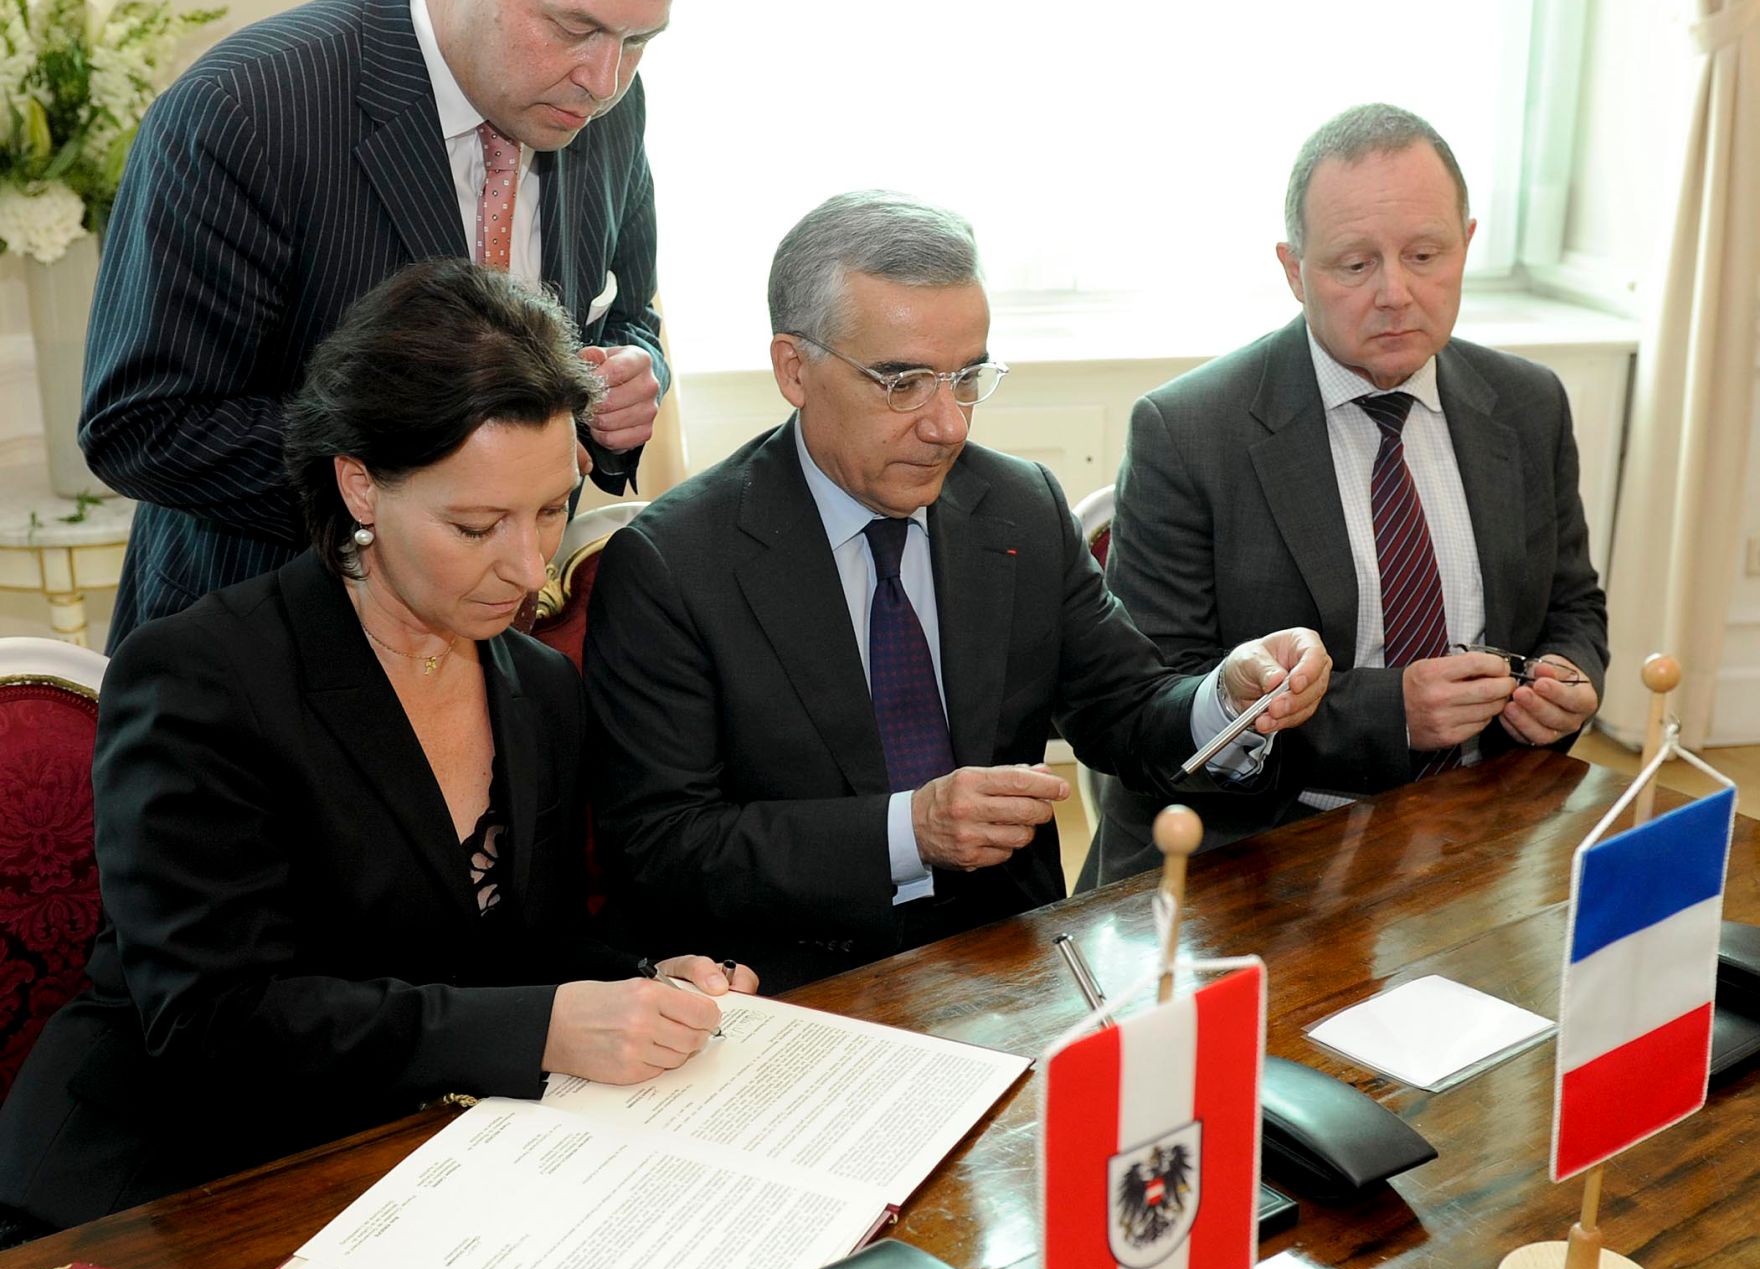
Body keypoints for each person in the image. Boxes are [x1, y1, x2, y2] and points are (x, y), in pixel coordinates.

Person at [0, 260, 754, 1236]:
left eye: (551, 511)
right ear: (359, 483)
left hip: (399, 1160)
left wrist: (645, 980)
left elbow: (511, 942)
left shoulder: (538, 689)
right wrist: (545, 1025)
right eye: (476, 524)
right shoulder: (204, 679)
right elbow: (214, 1024)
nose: (527, 568)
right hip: (163, 1187)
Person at [583, 191, 1331, 992]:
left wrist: (1231, 697)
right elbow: (663, 846)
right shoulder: (674, 564)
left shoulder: (1017, 508)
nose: (948, 425)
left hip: (1013, 965)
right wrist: (911, 831)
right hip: (797, 988)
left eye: (967, 376)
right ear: (793, 369)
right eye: (902, 382)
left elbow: (1125, 710)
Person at [80, 0, 681, 647]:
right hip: (260, 655)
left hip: (499, 654)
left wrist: (629, 377)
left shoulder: (610, 105)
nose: (602, 77)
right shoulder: (243, 113)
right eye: (573, 26)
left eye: (640, 40)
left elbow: (626, 310)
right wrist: (413, 479)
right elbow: (142, 424)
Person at [1090, 104, 1609, 886]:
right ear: (1294, 270)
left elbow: (1573, 603)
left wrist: (1568, 677)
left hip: (1482, 826)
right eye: (1355, 264)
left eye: (1425, 254)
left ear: (1467, 245)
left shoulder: (1527, 403)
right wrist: (1391, 713)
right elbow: (1164, 704)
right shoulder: (1190, 432)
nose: (1396, 293)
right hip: (1263, 847)